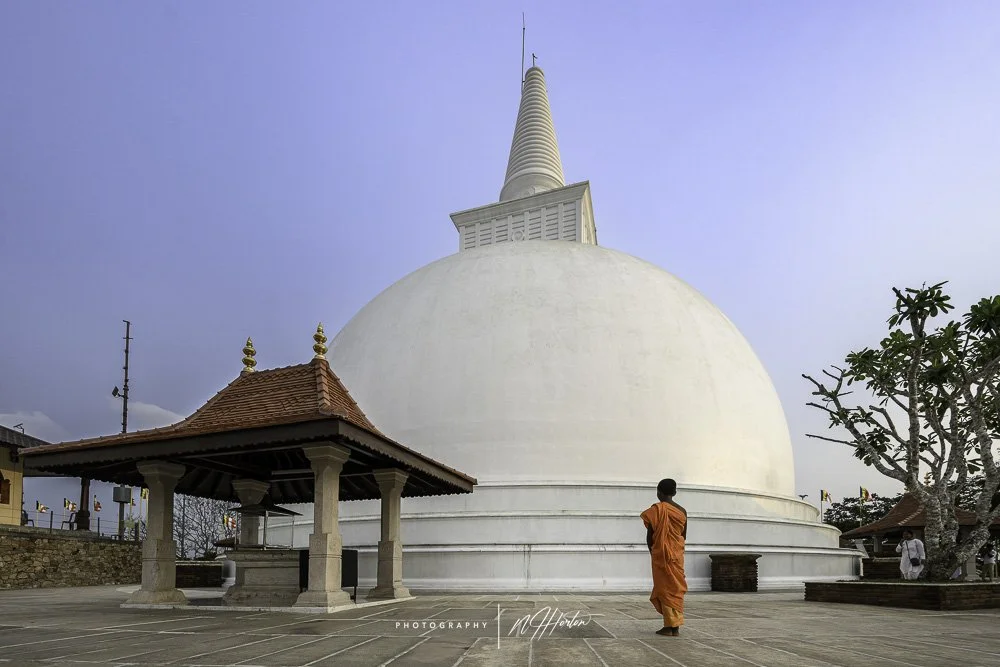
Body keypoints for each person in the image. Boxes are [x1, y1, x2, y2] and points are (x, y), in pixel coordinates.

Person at [641, 478, 688, 637]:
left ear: (659, 492)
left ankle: (669, 627)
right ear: (674, 493)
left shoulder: (656, 510)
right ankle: (675, 626)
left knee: (665, 589)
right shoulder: (682, 511)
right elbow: (683, 536)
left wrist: (654, 552)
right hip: (676, 556)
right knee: (676, 589)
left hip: (661, 556)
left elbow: (650, 537)